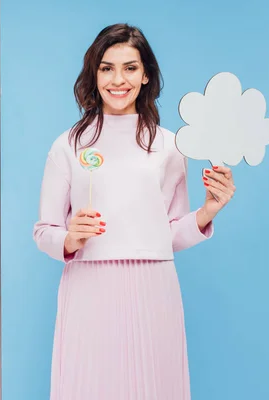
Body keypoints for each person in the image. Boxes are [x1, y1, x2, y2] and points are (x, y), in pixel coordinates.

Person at [33, 23, 235, 399]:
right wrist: (70, 237)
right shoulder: (67, 145)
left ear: (145, 75)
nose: (118, 79)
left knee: (154, 387)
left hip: (153, 285)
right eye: (106, 68)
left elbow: (170, 232)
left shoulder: (170, 145)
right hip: (88, 286)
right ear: (94, 75)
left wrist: (207, 211)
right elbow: (44, 230)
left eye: (129, 67)